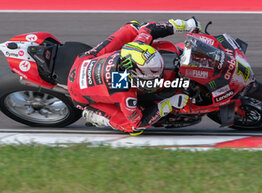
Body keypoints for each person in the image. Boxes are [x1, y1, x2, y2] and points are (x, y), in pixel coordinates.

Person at [67, 17, 201, 134]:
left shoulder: (135, 48)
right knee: (131, 128)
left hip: (84, 60)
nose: (159, 79)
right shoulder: (124, 93)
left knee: (133, 27)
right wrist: (169, 104)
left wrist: (184, 25)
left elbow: (149, 29)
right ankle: (94, 116)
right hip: (80, 96)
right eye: (153, 78)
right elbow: (138, 123)